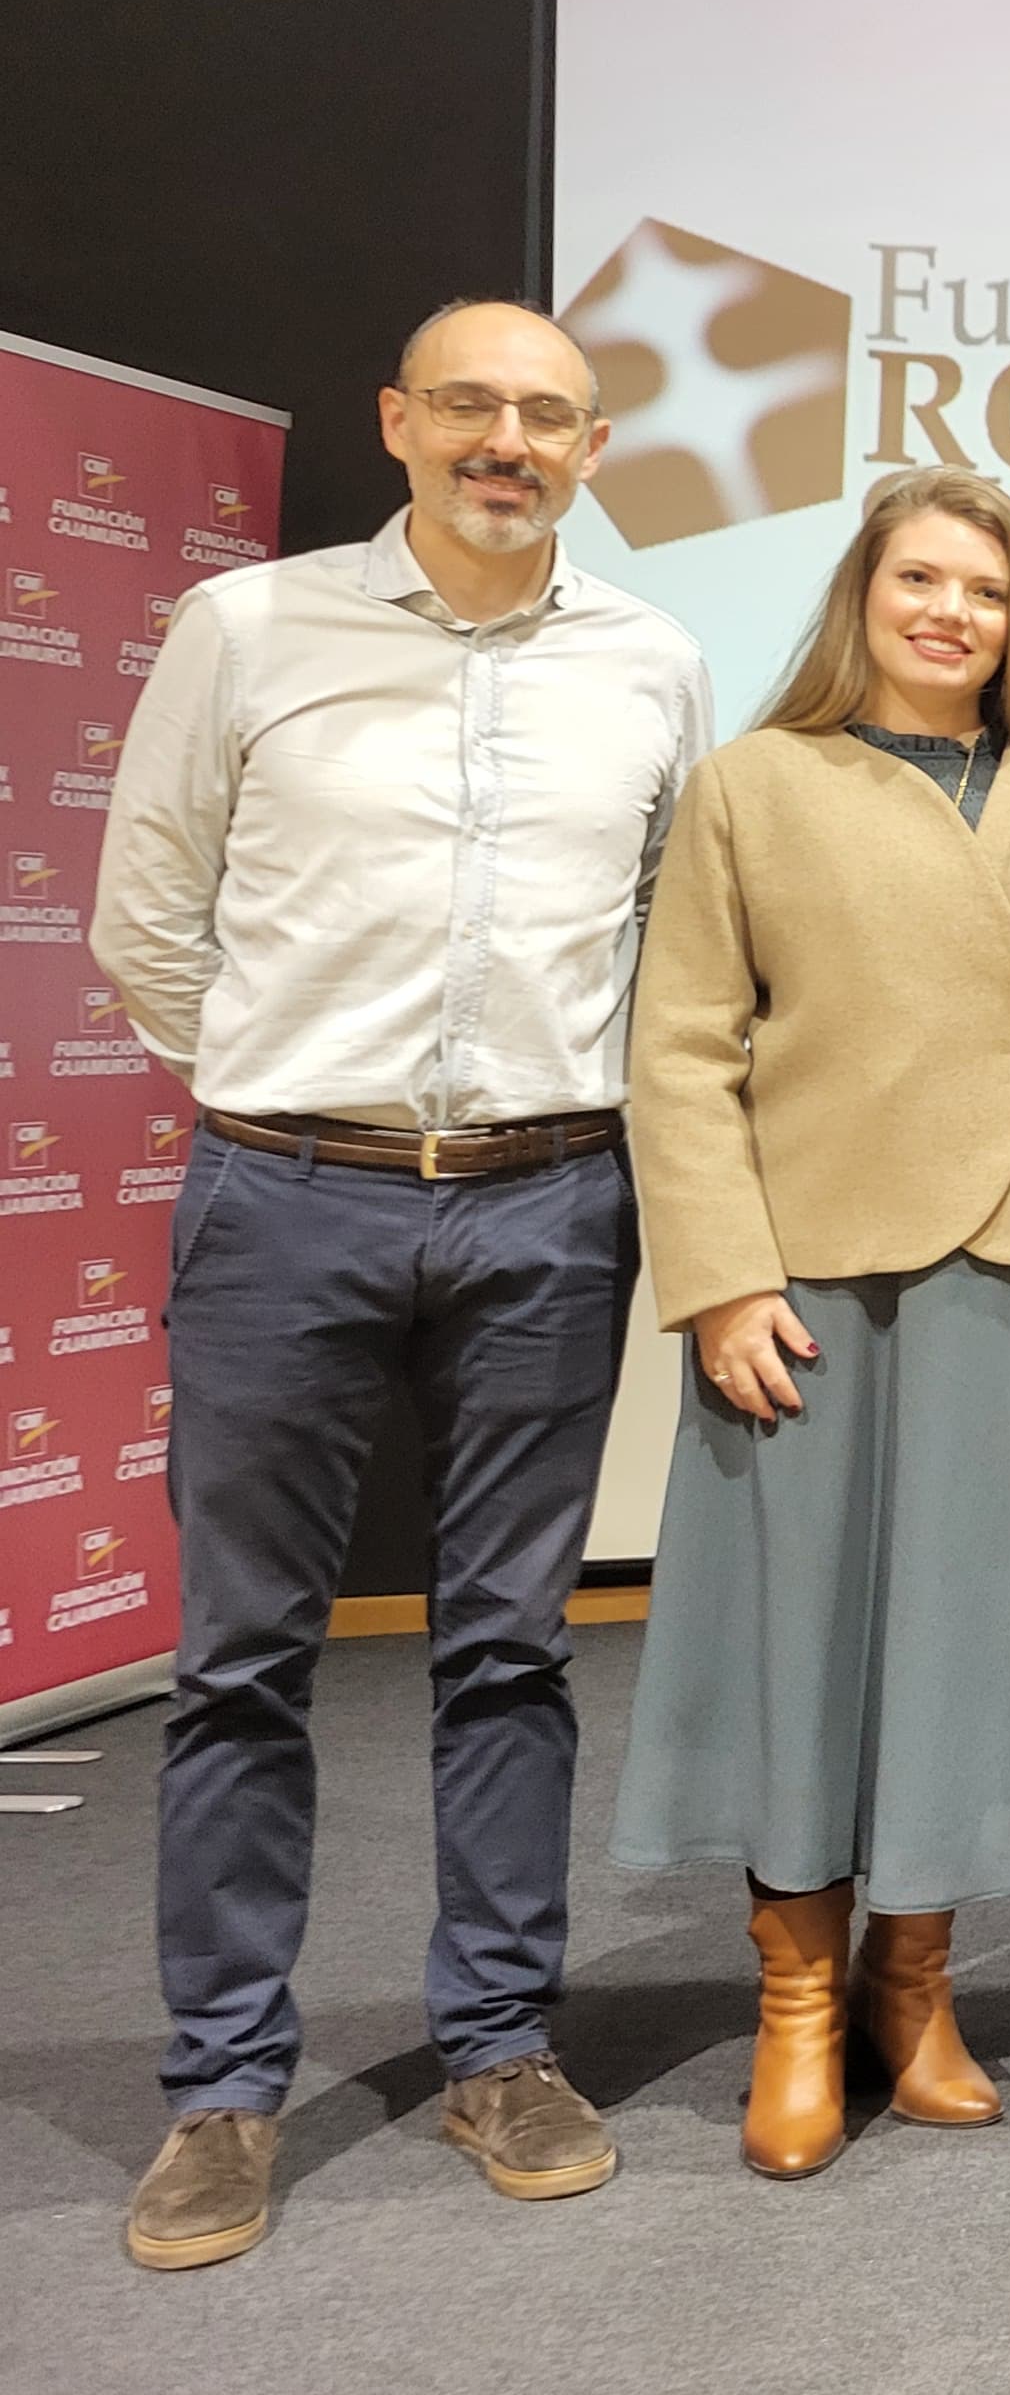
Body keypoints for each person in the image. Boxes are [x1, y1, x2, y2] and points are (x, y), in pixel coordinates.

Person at [89, 301, 712, 2270]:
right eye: (470, 405)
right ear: (399, 423)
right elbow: (148, 912)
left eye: (544, 414)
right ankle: (224, 2087)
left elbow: (669, 939)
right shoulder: (251, 632)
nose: (503, 441)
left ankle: (500, 2044)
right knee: (245, 1656)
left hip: (550, 1203)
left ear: (594, 447)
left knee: (510, 1645)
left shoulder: (652, 663)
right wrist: (294, 1096)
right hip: (288, 1200)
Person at [613, 469, 1010, 2176]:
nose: (950, 613)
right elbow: (682, 1046)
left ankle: (909, 1984)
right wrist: (717, 1273)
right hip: (806, 1281)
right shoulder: (750, 788)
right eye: (918, 579)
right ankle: (794, 2006)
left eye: (986, 592)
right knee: (802, 1644)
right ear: (862, 593)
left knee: (965, 1648)